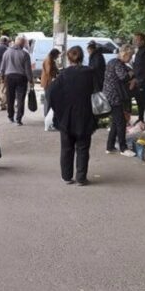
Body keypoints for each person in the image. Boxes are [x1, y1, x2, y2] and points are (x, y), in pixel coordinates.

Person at [48, 46, 97, 186]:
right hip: (85, 115)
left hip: (66, 117)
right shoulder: (90, 73)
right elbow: (97, 90)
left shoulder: (63, 74)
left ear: (68, 58)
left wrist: (59, 110)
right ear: (82, 57)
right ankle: (81, 177)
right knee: (83, 147)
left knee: (66, 148)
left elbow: (51, 94)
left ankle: (67, 176)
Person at [104, 44, 135, 156]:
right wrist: (131, 74)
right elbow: (123, 77)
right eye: (130, 55)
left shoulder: (112, 62)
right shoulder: (118, 64)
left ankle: (110, 146)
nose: (131, 58)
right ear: (125, 54)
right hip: (115, 97)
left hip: (110, 95)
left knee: (115, 122)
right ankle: (123, 148)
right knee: (121, 122)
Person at [0, 34, 33, 125]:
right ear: (22, 43)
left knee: (10, 97)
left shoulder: (6, 53)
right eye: (24, 43)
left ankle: (10, 116)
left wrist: (2, 77)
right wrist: (30, 80)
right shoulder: (25, 54)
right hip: (21, 77)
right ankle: (18, 118)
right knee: (20, 98)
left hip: (9, 77)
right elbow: (28, 69)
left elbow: (2, 67)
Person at [130, 33, 145, 124]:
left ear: (143, 41)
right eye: (135, 40)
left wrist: (140, 81)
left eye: (137, 40)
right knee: (139, 101)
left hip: (143, 82)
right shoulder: (140, 50)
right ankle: (140, 119)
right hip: (138, 81)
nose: (135, 42)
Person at [40, 48, 61, 118]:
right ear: (54, 54)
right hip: (48, 82)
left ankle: (48, 115)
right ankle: (47, 115)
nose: (58, 57)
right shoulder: (48, 60)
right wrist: (55, 73)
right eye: (57, 55)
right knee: (48, 99)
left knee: (49, 99)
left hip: (48, 82)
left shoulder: (51, 60)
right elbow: (48, 72)